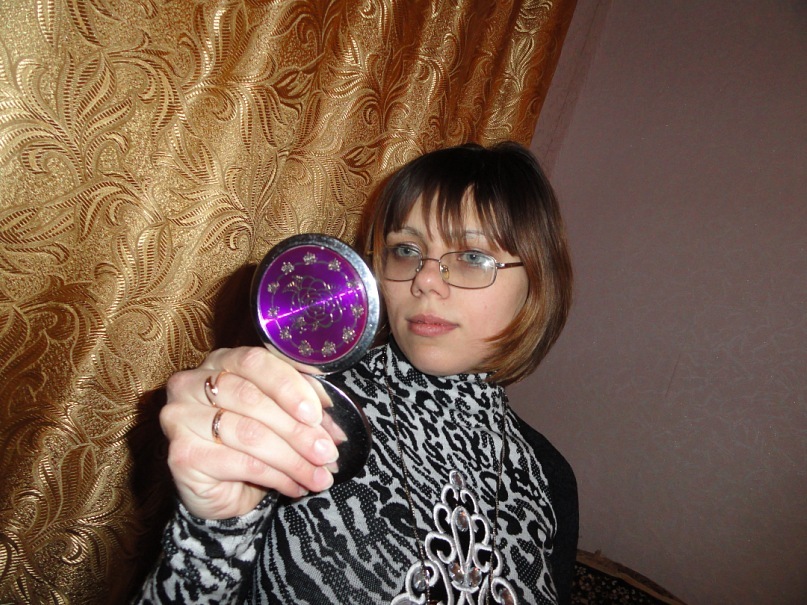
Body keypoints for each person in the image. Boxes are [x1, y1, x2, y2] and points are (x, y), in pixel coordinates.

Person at [136, 141, 578, 604]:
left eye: (471, 257)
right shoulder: (303, 411)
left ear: (536, 283)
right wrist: (213, 532)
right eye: (405, 250)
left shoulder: (550, 478)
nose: (425, 279)